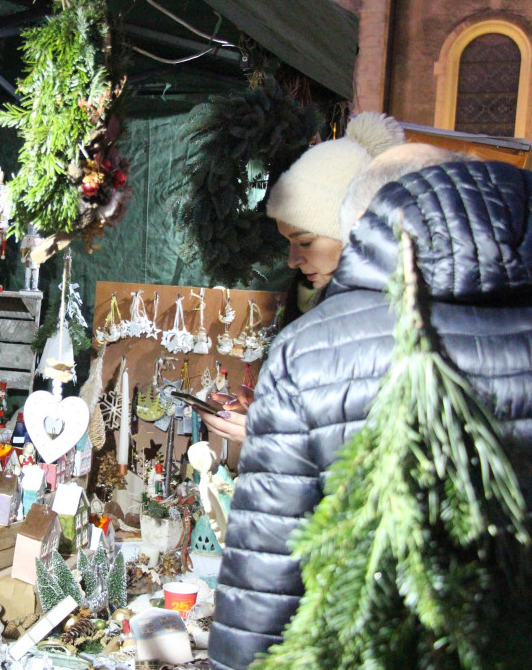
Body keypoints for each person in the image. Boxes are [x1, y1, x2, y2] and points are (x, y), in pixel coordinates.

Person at [208, 155, 532, 670]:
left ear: (365, 225)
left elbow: (265, 587)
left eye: (306, 240)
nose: (293, 260)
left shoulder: (312, 349)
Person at [197, 112, 406, 447]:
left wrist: (274, 436)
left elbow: (373, 448)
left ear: (356, 228)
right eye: (290, 244)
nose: (294, 261)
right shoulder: (329, 308)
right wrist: (274, 411)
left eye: (305, 242)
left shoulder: (393, 321)